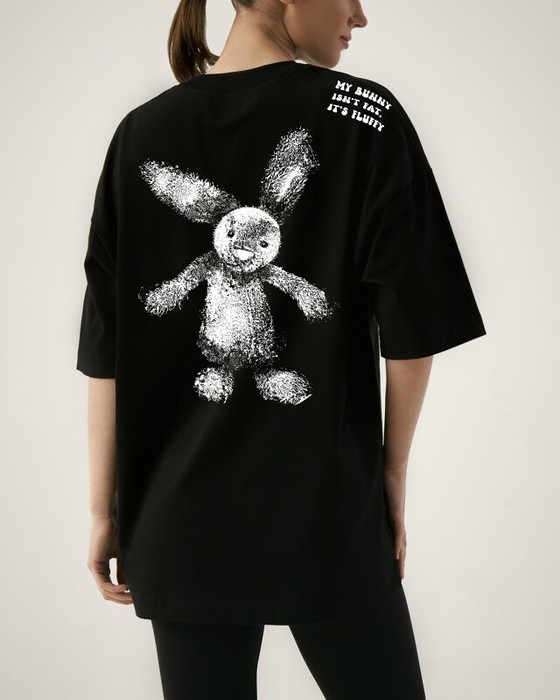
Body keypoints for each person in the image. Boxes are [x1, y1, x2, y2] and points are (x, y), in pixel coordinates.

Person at [77, 0, 487, 697]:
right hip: (327, 513)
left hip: (179, 521)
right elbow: (412, 328)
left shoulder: (140, 133)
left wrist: (102, 510)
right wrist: (389, 477)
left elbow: (106, 348)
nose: (360, 15)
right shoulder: (367, 116)